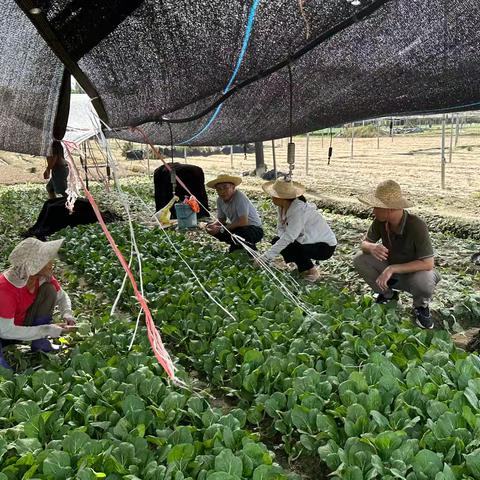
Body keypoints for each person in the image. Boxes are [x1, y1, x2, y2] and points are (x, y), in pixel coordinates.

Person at [353, 179, 440, 329]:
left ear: (389, 209)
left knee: (425, 280)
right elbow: (364, 244)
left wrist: (392, 269)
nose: (373, 210)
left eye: (376, 207)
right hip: (392, 270)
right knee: (360, 259)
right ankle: (388, 295)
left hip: (414, 274)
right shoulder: (380, 222)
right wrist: (372, 247)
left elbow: (428, 264)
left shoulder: (416, 225)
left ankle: (421, 307)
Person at [0, 238, 75, 369]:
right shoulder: (5, 289)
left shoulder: (41, 278)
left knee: (49, 290)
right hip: (4, 330)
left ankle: (39, 343)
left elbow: (62, 297)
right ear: (34, 266)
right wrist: (46, 330)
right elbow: (5, 331)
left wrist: (67, 313)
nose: (51, 263)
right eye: (46, 260)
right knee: (6, 374)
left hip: (20, 327)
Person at [257, 178, 337, 282]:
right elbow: (280, 228)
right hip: (305, 241)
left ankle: (313, 271)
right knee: (278, 241)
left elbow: (289, 237)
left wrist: (265, 257)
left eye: (273, 195)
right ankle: (302, 266)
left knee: (292, 246)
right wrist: (283, 242)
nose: (271, 197)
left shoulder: (298, 210)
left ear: (281, 198)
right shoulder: (282, 207)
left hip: (324, 247)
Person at [205, 174, 263, 253]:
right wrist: (213, 226)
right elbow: (221, 219)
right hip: (238, 228)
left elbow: (243, 222)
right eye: (219, 189)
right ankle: (239, 245)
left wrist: (221, 229)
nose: (222, 191)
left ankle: (247, 250)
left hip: (253, 229)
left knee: (241, 233)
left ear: (233, 187)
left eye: (225, 187)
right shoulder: (219, 200)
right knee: (212, 228)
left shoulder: (239, 197)